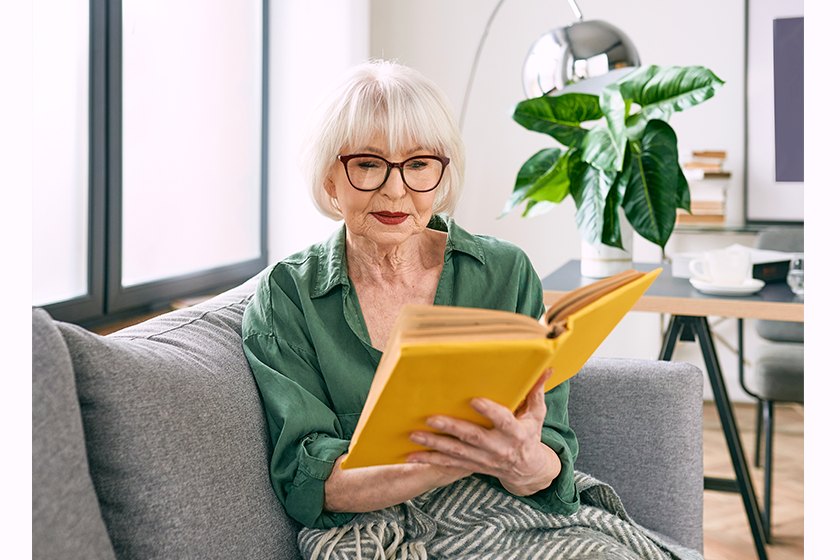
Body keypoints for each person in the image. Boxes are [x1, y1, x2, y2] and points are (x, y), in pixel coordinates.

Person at [242, 60, 703, 560]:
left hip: (505, 507)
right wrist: (457, 459)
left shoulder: (504, 272)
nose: (396, 190)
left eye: (418, 164)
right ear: (330, 177)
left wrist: (528, 462)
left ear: (441, 174)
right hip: (371, 524)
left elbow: (550, 451)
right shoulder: (287, 295)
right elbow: (312, 487)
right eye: (369, 164)